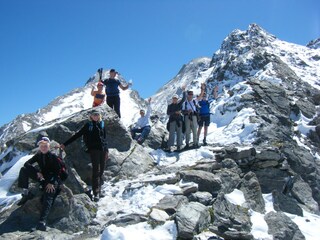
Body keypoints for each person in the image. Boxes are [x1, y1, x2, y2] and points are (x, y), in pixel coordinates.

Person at [60, 109, 108, 202]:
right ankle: (96, 192)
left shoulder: (102, 124)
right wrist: (65, 144)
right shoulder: (88, 125)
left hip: (103, 150)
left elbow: (105, 138)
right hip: (94, 150)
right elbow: (77, 135)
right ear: (91, 116)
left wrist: (107, 150)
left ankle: (99, 190)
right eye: (94, 115)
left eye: (97, 115)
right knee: (96, 170)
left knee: (101, 170)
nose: (96, 116)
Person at [17, 137, 62, 231]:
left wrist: (51, 183)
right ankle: (25, 193)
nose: (43, 148)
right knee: (24, 170)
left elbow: (58, 172)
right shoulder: (38, 155)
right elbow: (27, 164)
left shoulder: (53, 156)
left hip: (52, 179)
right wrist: (37, 171)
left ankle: (42, 221)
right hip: (42, 177)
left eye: (45, 146)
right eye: (41, 146)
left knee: (48, 195)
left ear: (49, 146)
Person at [182, 84, 205, 149]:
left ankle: (195, 143)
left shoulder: (195, 100)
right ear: (187, 95)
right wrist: (187, 112)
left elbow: (200, 96)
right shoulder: (185, 103)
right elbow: (182, 111)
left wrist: (202, 89)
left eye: (191, 95)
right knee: (187, 131)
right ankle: (187, 144)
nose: (191, 96)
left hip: (194, 116)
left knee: (195, 130)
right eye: (189, 94)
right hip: (187, 117)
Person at [166, 86, 186, 152]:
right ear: (172, 99)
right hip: (172, 121)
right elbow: (168, 113)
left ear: (177, 99)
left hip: (179, 121)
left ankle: (178, 146)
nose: (175, 99)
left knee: (179, 133)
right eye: (174, 98)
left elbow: (184, 98)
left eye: (176, 98)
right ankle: (169, 146)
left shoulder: (179, 104)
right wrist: (175, 112)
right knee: (171, 133)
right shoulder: (170, 106)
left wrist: (184, 91)